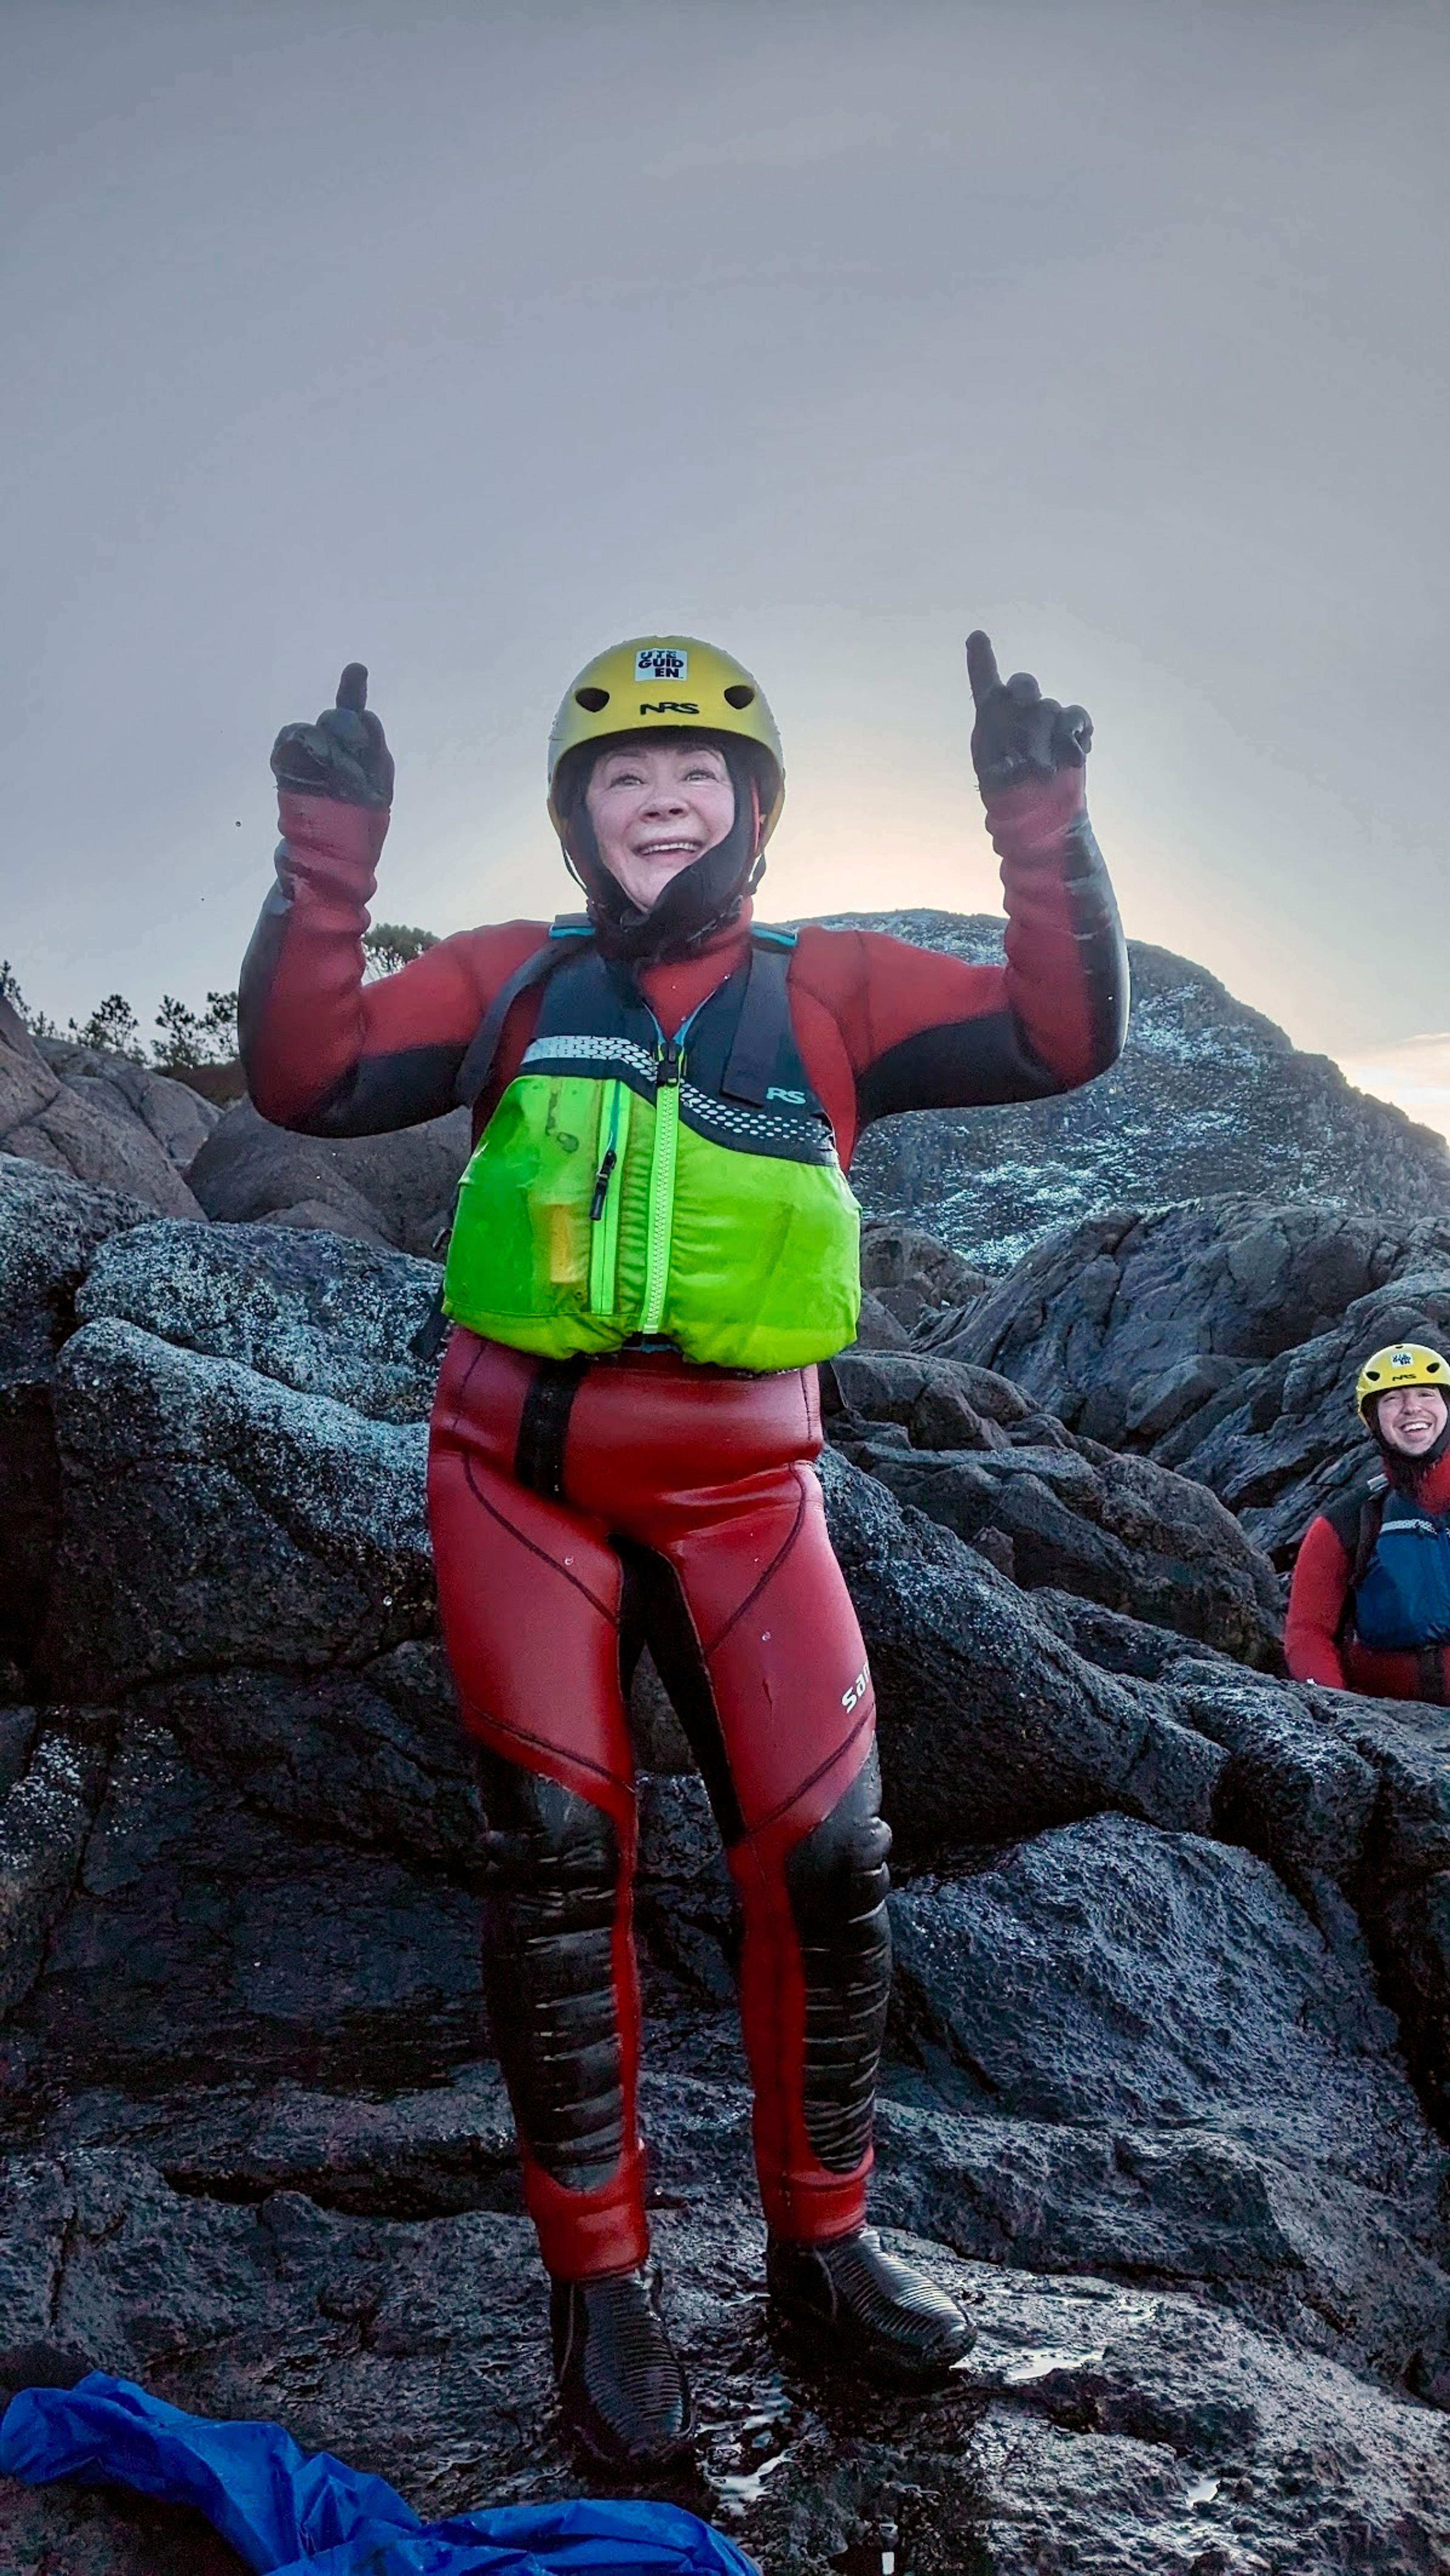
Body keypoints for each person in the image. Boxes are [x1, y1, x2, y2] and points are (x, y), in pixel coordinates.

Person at [240, 629, 1129, 2469]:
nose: (661, 801)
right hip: (522, 1485)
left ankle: (826, 2247)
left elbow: (1063, 1032)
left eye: (695, 775)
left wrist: (1041, 815)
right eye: (623, 777)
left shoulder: (838, 990)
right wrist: (326, 854)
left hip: (749, 1494)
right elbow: (303, 1075)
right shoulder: (510, 977)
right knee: (558, 1868)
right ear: (579, 817)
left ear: (753, 809)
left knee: (831, 1860)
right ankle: (602, 2284)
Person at [1285, 1341, 1450, 1702]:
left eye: (1426, 1393)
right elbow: (1308, 1632)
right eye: (1392, 1399)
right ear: (1373, 1420)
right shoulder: (1347, 1522)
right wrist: (1338, 1708)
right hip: (1388, 1718)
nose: (1412, 1407)